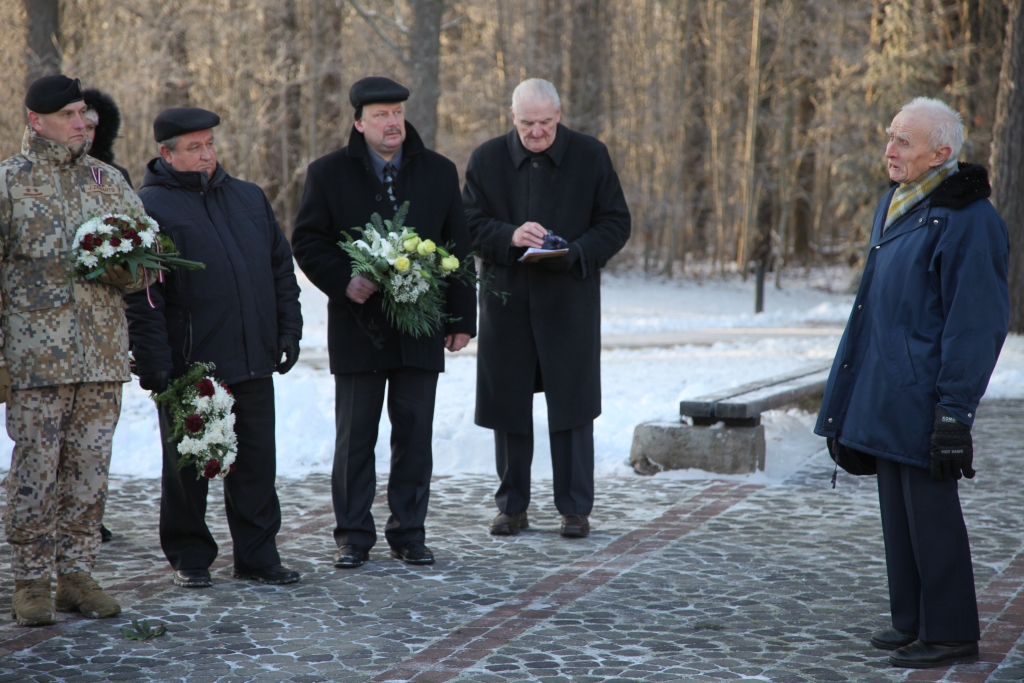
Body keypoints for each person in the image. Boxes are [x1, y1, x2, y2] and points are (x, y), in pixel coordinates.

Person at [815, 97, 1009, 669]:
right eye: (890, 136)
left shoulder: (971, 222)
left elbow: (975, 324)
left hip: (926, 392)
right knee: (898, 511)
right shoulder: (900, 202)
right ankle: (914, 619)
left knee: (931, 513)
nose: (889, 150)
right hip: (888, 387)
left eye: (904, 141)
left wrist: (955, 409)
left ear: (941, 154)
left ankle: (950, 630)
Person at [292, 77, 475, 568]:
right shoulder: (328, 173)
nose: (392, 122)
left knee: (415, 432)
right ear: (359, 123)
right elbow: (307, 241)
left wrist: (461, 318)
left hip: (421, 325)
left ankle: (409, 532)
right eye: (380, 115)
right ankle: (352, 535)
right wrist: (343, 279)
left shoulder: (438, 171)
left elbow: (458, 247)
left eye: (397, 112)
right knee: (356, 434)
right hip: (359, 327)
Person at [125, 107, 303, 588]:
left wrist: (289, 329)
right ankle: (190, 556)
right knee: (189, 467)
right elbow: (145, 292)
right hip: (191, 363)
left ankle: (258, 554)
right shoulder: (147, 207)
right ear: (166, 153)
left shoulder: (248, 197)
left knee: (256, 464)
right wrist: (155, 359)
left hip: (252, 354)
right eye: (193, 148)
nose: (206, 155)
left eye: (209, 144)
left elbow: (280, 270)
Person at [1, 75, 143, 626]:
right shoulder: (11, 183)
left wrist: (128, 269)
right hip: (37, 360)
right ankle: (32, 581)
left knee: (89, 470)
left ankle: (78, 574)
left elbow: (147, 258)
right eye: (68, 115)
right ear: (37, 121)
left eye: (84, 112)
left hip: (102, 357)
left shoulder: (108, 180)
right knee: (36, 473)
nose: (82, 123)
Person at [462, 78, 631, 539]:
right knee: (508, 407)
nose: (536, 132)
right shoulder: (486, 159)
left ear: (560, 114)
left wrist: (576, 252)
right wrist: (510, 236)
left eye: (545, 123)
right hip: (506, 302)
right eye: (526, 123)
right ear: (511, 117)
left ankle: (575, 508)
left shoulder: (590, 155)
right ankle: (511, 506)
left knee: (572, 407)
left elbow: (616, 222)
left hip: (569, 303)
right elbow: (468, 224)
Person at [82, 87, 131, 544]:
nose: (87, 131)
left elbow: (140, 249)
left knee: (97, 438)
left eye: (95, 124)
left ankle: (89, 517)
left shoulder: (114, 177)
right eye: (80, 120)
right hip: (47, 333)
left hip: (106, 328)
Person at [83, 88, 133, 189]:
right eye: (80, 127)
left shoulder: (117, 175)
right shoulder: (54, 171)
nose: (84, 134)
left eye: (90, 128)